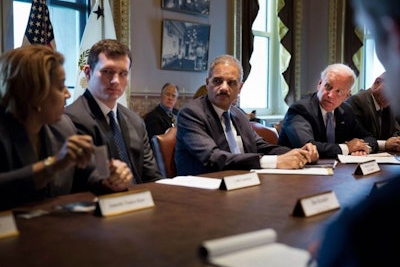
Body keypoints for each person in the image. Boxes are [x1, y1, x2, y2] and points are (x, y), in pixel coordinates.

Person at [314, 0, 400, 267]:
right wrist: (349, 147)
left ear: (393, 37)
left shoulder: (366, 230)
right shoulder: (306, 109)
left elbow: (367, 139)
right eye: (329, 88)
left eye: (340, 92)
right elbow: (306, 145)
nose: (333, 95)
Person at [0, 45, 133, 210]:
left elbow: (89, 173)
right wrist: (52, 165)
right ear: (33, 92)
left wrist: (110, 179)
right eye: (60, 86)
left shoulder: (62, 126)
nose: (67, 94)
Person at [175, 54, 319, 176]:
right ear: (207, 84)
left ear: (240, 88)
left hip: (243, 182)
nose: (224, 88)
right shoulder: (191, 113)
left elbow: (261, 146)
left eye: (231, 83)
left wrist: (298, 153)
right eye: (218, 81)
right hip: (205, 187)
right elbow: (213, 158)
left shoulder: (238, 114)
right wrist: (275, 161)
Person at [66, 39, 162, 183]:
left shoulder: (136, 122)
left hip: (139, 199)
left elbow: (152, 177)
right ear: (88, 72)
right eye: (107, 72)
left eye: (122, 73)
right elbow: (80, 179)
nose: (115, 80)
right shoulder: (71, 120)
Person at [278, 63, 378, 158]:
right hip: (298, 171)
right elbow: (308, 147)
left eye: (338, 91)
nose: (330, 95)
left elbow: (369, 138)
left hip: (336, 170)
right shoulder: (300, 109)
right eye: (328, 87)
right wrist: (347, 148)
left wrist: (363, 148)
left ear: (346, 96)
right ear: (320, 84)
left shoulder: (346, 111)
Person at [346, 72, 400, 152]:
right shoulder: (357, 101)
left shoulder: (388, 107)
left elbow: (396, 131)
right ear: (377, 82)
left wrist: (396, 141)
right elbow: (358, 139)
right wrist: (385, 144)